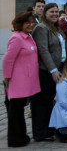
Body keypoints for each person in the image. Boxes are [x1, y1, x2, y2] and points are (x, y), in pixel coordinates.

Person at [3, 12, 40, 147]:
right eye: (27, 22)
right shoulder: (17, 38)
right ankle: (15, 139)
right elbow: (7, 60)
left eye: (32, 22)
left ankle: (21, 136)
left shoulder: (27, 37)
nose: (31, 24)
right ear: (20, 24)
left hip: (26, 80)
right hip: (17, 80)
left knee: (18, 111)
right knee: (15, 111)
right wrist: (6, 78)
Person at [31, 2, 64, 142]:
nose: (55, 14)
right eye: (52, 12)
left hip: (57, 68)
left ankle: (48, 130)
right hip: (46, 71)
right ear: (44, 13)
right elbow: (43, 50)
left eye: (57, 11)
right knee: (42, 102)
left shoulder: (55, 27)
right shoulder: (41, 28)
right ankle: (40, 133)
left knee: (49, 100)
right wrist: (53, 70)